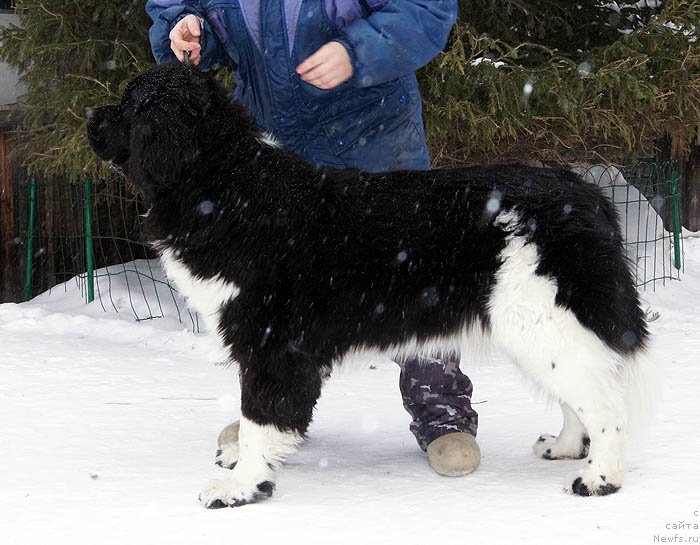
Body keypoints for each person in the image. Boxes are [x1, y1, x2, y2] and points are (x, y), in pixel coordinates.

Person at [146, 0, 480, 476]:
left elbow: (425, 10)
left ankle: (442, 414)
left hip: (371, 134)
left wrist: (357, 51)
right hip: (270, 143)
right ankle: (271, 414)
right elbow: (180, 7)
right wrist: (183, 29)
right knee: (268, 297)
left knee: (409, 274)